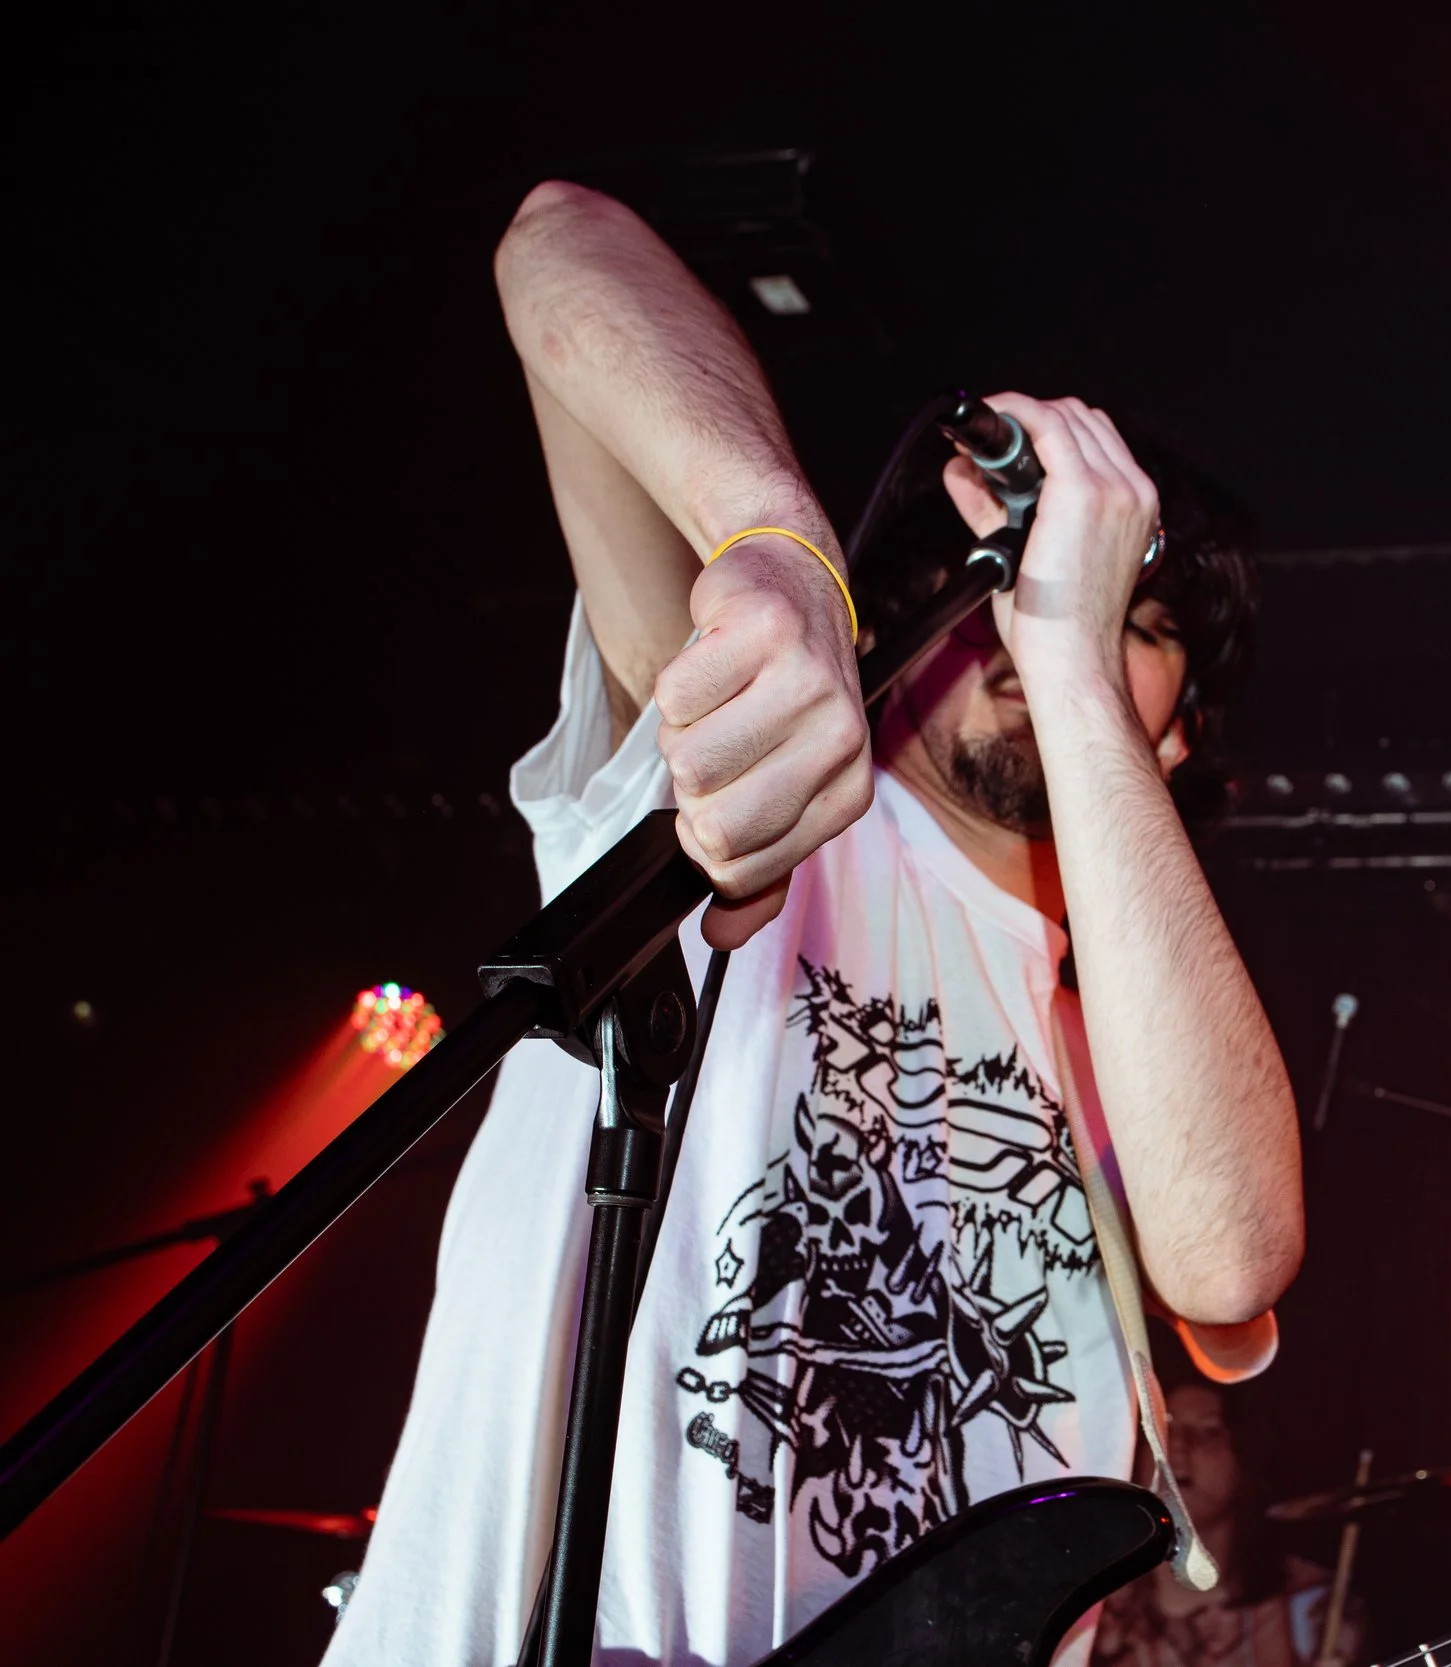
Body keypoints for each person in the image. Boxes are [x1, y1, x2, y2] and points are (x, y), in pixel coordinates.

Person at [323, 179, 1304, 1666]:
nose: (1035, 625)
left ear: (1180, 736)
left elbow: (1228, 1260)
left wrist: (1074, 656)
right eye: (1001, 592)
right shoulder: (758, 797)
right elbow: (557, 241)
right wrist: (777, 547)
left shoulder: (1136, 1054)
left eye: (1139, 623)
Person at [1092, 1342, 1368, 1667]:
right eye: (1163, 1431)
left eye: (1207, 1432)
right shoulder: (1093, 1604)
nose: (1177, 1447)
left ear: (1245, 1460)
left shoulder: (1313, 1607)